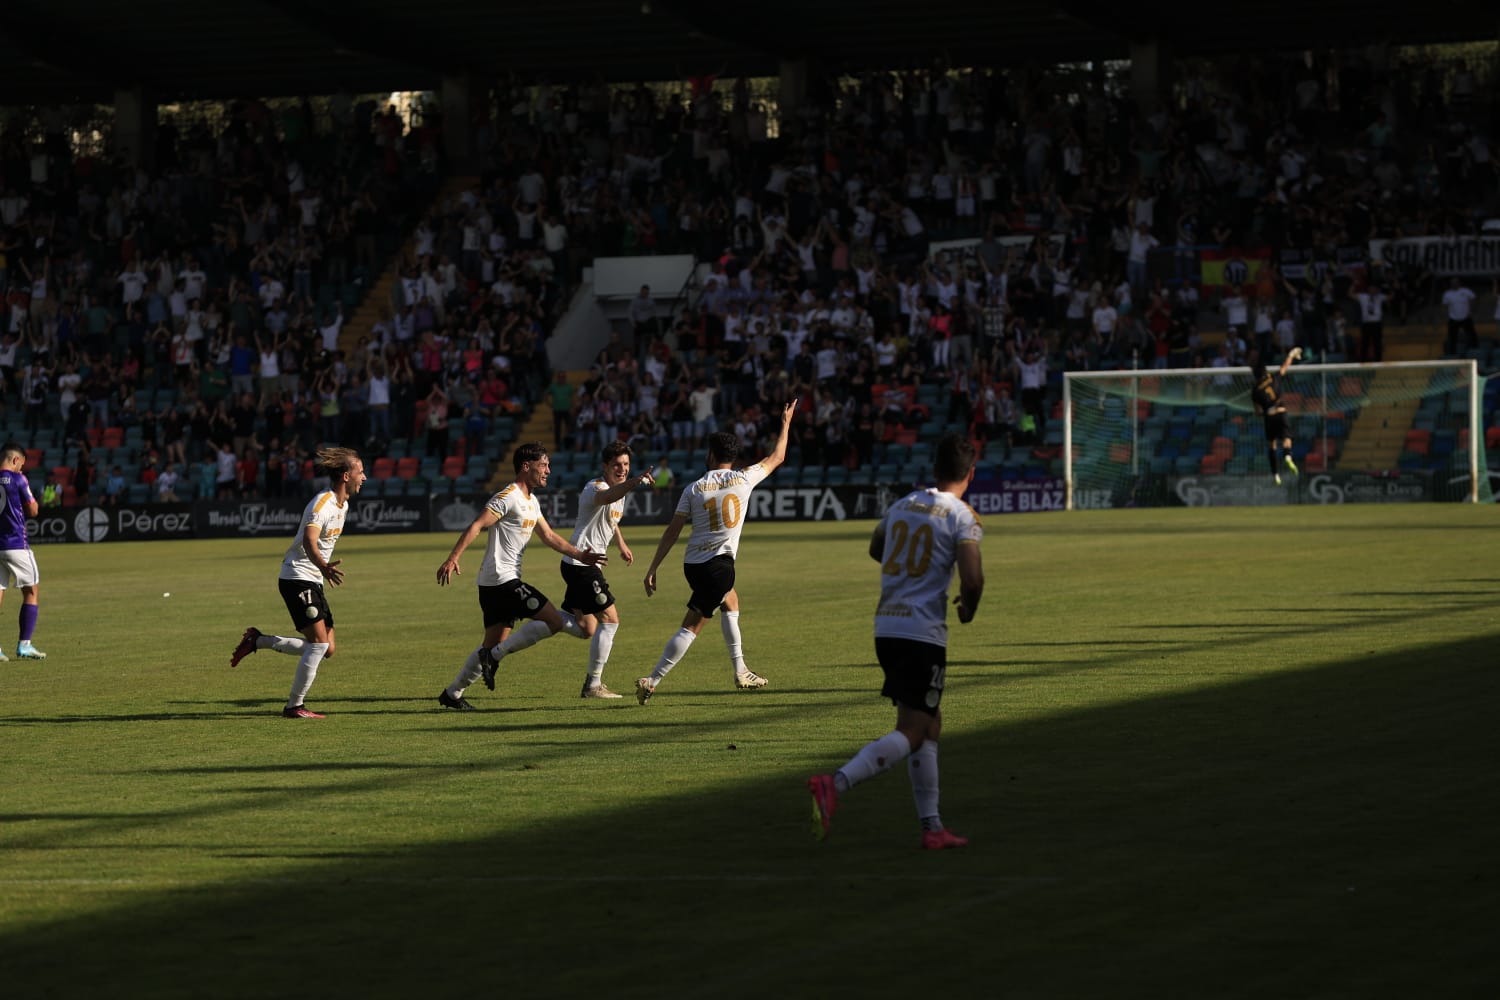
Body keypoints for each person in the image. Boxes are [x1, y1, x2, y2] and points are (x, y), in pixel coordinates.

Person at [806, 433, 984, 850]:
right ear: (970, 474)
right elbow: (973, 578)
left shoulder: (905, 504)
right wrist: (968, 608)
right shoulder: (961, 515)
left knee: (930, 722)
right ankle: (835, 784)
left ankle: (932, 826)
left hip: (887, 627)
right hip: (922, 634)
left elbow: (876, 547)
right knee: (915, 728)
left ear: (935, 469)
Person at [635, 399, 797, 704]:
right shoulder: (745, 478)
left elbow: (673, 530)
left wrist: (653, 567)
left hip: (693, 565)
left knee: (730, 600)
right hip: (719, 565)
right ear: (733, 457)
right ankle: (652, 679)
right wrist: (785, 422)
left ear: (711, 455)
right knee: (692, 626)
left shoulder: (694, 488)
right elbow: (778, 456)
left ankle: (741, 670)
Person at [434, 442, 606, 711]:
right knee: (551, 620)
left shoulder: (532, 502)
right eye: (544, 464)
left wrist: (580, 555)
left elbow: (548, 536)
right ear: (526, 467)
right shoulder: (508, 496)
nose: (548, 470)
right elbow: (477, 524)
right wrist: (453, 557)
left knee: (492, 642)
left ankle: (453, 693)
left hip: (493, 584)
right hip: (503, 581)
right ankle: (493, 657)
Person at [228, 447, 368, 718]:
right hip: (297, 577)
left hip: (313, 579)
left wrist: (322, 571)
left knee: (327, 649)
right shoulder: (323, 503)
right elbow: (309, 540)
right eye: (360, 472)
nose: (364, 477)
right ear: (346, 475)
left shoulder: (344, 505)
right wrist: (324, 566)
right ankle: (295, 706)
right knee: (318, 645)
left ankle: (258, 641)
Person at [563, 442, 657, 698]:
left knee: (585, 626)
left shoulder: (618, 490)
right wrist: (635, 481)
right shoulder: (596, 487)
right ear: (605, 466)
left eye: (626, 465)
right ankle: (593, 685)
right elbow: (606, 498)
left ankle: (544, 617)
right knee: (611, 619)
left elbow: (611, 519)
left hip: (578, 565)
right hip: (583, 564)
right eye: (617, 465)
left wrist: (621, 543)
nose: (623, 469)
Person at [0, 442, 46, 659]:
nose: (21, 470)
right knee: (31, 591)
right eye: (21, 465)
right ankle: (24, 645)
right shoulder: (19, 479)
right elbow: (33, 510)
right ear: (16, 460)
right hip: (16, 544)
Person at [1251, 347, 1302, 486]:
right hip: (1281, 411)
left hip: (1269, 416)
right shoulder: (1274, 377)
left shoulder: (1255, 391)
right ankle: (1288, 456)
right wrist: (1291, 354)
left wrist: (1260, 412)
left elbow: (1258, 411)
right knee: (1286, 438)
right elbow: (1285, 365)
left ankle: (1275, 474)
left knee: (1271, 445)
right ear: (1265, 371)